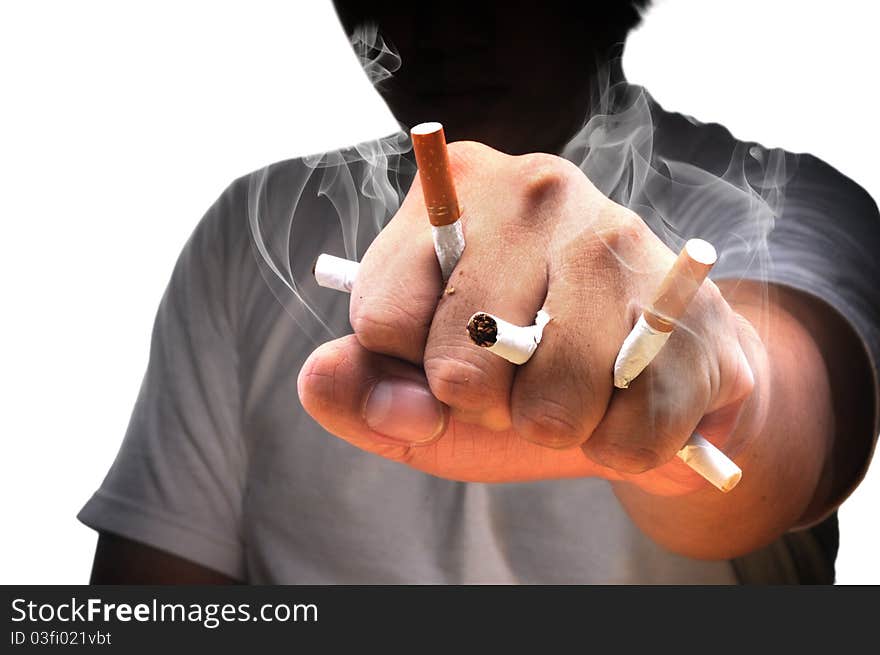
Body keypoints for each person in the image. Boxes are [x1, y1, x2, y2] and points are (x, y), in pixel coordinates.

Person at [80, 0, 879, 583]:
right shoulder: (249, 238)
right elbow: (150, 601)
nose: (439, 20)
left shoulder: (797, 206)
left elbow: (788, 417)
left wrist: (718, 385)